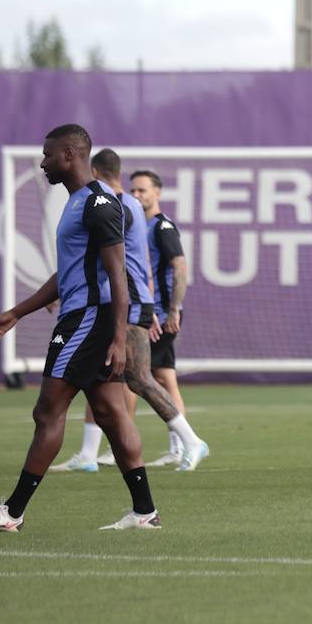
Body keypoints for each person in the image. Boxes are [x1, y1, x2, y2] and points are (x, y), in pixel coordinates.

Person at [0, 124, 160, 531]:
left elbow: (117, 274)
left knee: (48, 410)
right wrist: (17, 312)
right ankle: (145, 513)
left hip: (88, 319)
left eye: (48, 154)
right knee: (110, 412)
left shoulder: (99, 204)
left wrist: (119, 337)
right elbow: (67, 272)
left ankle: (12, 511)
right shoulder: (77, 202)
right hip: (88, 317)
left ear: (70, 154)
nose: (42, 162)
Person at [51, 152, 208, 473]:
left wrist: (152, 307)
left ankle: (190, 441)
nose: (138, 195)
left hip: (127, 304)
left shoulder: (114, 206)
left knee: (140, 379)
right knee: (99, 378)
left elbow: (114, 262)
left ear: (93, 171)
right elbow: (138, 265)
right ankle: (89, 454)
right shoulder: (126, 207)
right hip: (127, 302)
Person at [129, 168, 201, 467]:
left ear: (157, 193)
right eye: (133, 190)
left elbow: (179, 266)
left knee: (134, 377)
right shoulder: (140, 226)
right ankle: (179, 446)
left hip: (160, 314)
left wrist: (173, 310)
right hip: (154, 312)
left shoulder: (162, 227)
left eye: (142, 190)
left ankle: (120, 443)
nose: (136, 195)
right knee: (164, 379)